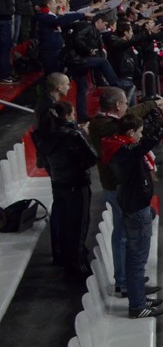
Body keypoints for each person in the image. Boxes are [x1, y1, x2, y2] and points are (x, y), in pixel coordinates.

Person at [106, 97, 163, 318]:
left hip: (134, 205)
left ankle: (138, 297)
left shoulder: (118, 146)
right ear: (130, 133)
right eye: (138, 133)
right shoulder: (126, 151)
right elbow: (151, 139)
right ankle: (137, 306)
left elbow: (148, 137)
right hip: (136, 208)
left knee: (136, 258)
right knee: (137, 259)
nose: (140, 136)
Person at [41, 101, 97, 278]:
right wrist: (84, 134)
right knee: (79, 227)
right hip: (76, 186)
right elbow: (91, 159)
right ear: (67, 116)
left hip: (58, 185)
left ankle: (67, 263)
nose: (75, 117)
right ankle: (77, 267)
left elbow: (43, 162)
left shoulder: (46, 135)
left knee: (65, 226)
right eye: (73, 114)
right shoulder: (73, 135)